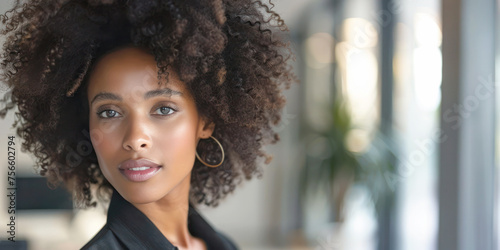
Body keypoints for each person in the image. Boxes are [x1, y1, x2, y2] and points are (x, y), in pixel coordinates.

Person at [0, 0, 295, 249]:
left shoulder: (222, 244)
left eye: (163, 108)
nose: (135, 138)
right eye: (109, 113)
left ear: (206, 121)